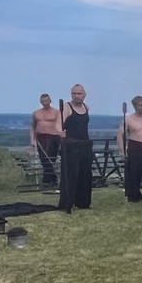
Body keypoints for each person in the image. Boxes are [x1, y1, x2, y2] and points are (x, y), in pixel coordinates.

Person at [57, 85, 94, 213]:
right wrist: (61, 133)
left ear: (84, 94)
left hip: (85, 145)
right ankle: (68, 202)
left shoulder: (86, 107)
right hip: (71, 146)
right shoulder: (66, 108)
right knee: (71, 175)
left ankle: (83, 202)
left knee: (85, 174)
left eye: (79, 93)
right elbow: (58, 125)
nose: (76, 96)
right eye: (74, 93)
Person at [29, 92, 63, 188]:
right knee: (44, 159)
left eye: (46, 100)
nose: (45, 102)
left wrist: (62, 138)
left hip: (53, 137)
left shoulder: (56, 112)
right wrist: (32, 140)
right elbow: (32, 127)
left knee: (50, 158)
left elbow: (61, 125)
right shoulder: (36, 113)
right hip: (41, 137)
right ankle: (51, 181)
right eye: (43, 101)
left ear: (50, 101)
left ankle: (48, 181)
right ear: (40, 102)